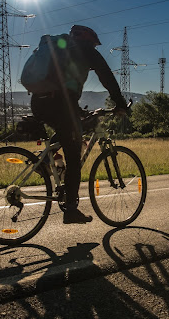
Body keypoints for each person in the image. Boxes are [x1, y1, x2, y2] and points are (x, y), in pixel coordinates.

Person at [29, 25, 128, 224]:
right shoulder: (86, 50)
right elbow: (106, 76)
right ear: (89, 41)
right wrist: (120, 103)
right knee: (74, 156)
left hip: (40, 102)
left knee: (71, 129)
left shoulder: (63, 52)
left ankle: (45, 162)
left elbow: (66, 91)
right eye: (94, 44)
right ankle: (71, 210)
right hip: (58, 104)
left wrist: (79, 112)